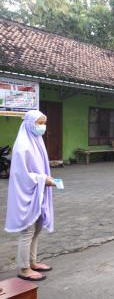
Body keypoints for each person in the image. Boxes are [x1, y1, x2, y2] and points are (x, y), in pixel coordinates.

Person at [5, 110, 55, 281]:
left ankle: (32, 262)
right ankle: (23, 268)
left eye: (44, 122)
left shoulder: (37, 141)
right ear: (29, 124)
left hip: (38, 192)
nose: (43, 126)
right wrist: (43, 179)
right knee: (27, 231)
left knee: (37, 228)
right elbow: (21, 174)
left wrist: (45, 178)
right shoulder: (23, 145)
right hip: (26, 194)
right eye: (39, 123)